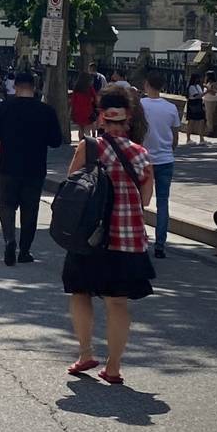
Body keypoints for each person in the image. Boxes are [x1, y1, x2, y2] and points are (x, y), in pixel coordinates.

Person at [62, 86, 155, 385]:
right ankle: (113, 367)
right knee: (117, 303)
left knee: (80, 293)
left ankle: (85, 353)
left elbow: (71, 184)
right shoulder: (141, 155)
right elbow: (145, 199)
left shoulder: (88, 148)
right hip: (126, 238)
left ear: (101, 118)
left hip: (89, 235)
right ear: (128, 121)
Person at [0, 71, 64, 265]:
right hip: (35, 168)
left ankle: (9, 239)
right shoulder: (46, 111)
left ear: (16, 87)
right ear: (34, 87)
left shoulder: (4, 108)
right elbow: (56, 141)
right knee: (30, 209)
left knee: (6, 205)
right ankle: (25, 250)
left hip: (8, 165)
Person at [138, 72, 180, 258]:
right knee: (163, 202)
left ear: (147, 84)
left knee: (139, 200)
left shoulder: (140, 106)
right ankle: (160, 244)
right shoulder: (171, 108)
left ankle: (139, 237)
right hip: (165, 158)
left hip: (144, 158)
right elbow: (175, 137)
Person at [70, 75, 97, 140]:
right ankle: (88, 142)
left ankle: (80, 141)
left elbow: (73, 100)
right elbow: (95, 97)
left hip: (77, 111)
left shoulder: (76, 88)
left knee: (80, 128)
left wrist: (72, 110)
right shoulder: (89, 88)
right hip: (87, 110)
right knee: (87, 128)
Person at [184, 75, 207, 145]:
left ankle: (201, 138)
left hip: (199, 104)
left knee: (202, 120)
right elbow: (197, 96)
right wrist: (206, 92)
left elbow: (200, 95)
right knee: (191, 121)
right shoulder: (191, 87)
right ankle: (188, 139)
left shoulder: (198, 86)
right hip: (193, 104)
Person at [201, 73, 217, 139]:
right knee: (207, 116)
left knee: (209, 115)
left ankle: (210, 130)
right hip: (206, 100)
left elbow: (214, 92)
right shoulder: (208, 83)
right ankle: (208, 129)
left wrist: (207, 88)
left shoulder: (214, 83)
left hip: (211, 100)